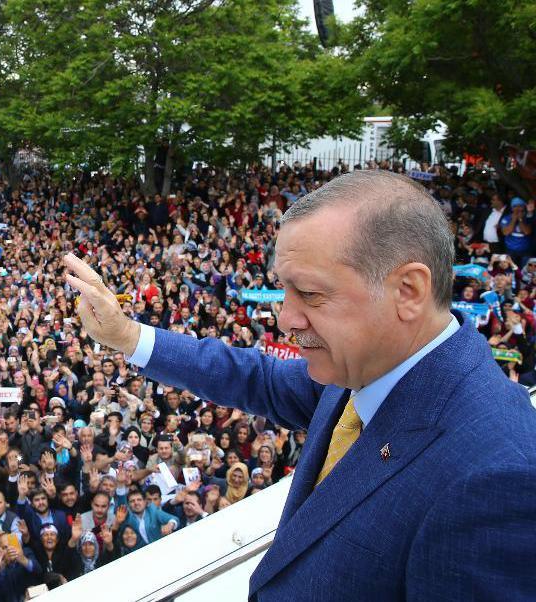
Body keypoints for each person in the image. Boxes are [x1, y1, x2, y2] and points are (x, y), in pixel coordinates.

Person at [62, 169, 536, 599]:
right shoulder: (364, 367)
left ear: (407, 291)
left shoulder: (494, 476)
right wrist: (127, 335)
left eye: (309, 293)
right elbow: (255, 376)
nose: (286, 319)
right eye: (285, 290)